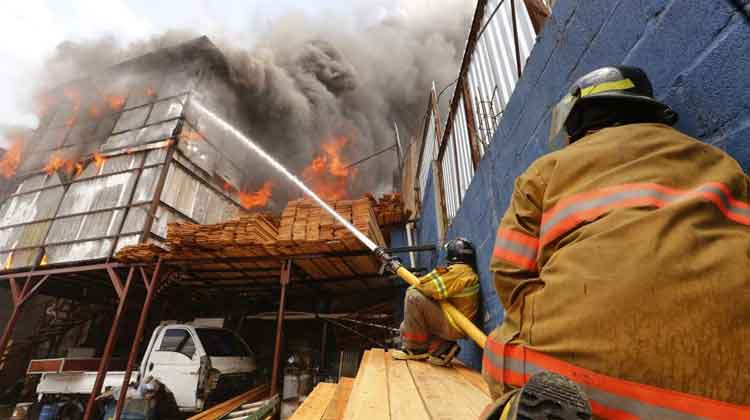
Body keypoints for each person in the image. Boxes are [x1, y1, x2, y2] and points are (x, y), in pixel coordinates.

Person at [481, 66, 750, 419]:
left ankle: (512, 409)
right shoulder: (722, 164)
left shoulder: (547, 170)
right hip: (732, 392)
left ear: (580, 116)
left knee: (498, 350)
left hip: (592, 383)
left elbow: (509, 276)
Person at [390, 237, 480, 366]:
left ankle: (416, 350)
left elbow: (429, 288)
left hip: (453, 324)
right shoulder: (464, 272)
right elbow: (429, 286)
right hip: (455, 323)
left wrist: (398, 269)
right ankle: (443, 348)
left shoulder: (460, 272)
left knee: (413, 296)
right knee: (406, 326)